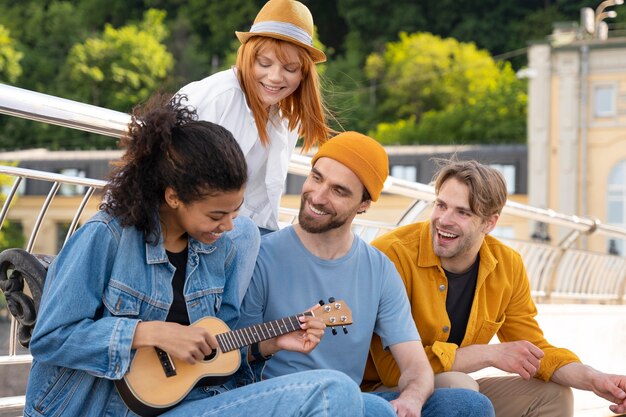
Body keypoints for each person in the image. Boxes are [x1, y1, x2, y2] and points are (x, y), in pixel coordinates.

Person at [24, 94, 365, 417]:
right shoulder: (106, 237)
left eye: (235, 211)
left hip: (187, 405)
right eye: (217, 215)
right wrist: (149, 333)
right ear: (173, 197)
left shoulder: (227, 248)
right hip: (97, 409)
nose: (230, 226)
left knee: (363, 403)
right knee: (334, 391)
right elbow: (51, 339)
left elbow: (214, 355)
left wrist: (268, 345)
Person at [238, 132, 495, 417]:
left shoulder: (379, 269)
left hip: (350, 401)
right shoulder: (261, 255)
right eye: (316, 177)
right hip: (277, 401)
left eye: (339, 190)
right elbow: (237, 359)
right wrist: (271, 344)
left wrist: (411, 398)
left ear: (364, 204)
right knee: (372, 408)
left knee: (469, 406)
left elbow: (415, 367)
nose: (318, 196)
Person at [362, 159, 626, 416]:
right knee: (460, 387)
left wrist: (596, 380)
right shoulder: (392, 254)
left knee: (553, 395)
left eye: (462, 212)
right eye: (441, 205)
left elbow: (534, 349)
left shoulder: (507, 265)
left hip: (453, 387)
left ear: (490, 223)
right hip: (385, 392)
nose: (443, 220)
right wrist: (488, 354)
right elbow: (393, 369)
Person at [177, 0, 330, 235]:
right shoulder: (218, 97)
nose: (275, 77)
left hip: (250, 231)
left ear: (303, 74)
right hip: (196, 227)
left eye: (290, 69)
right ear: (248, 57)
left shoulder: (287, 117)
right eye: (264, 63)